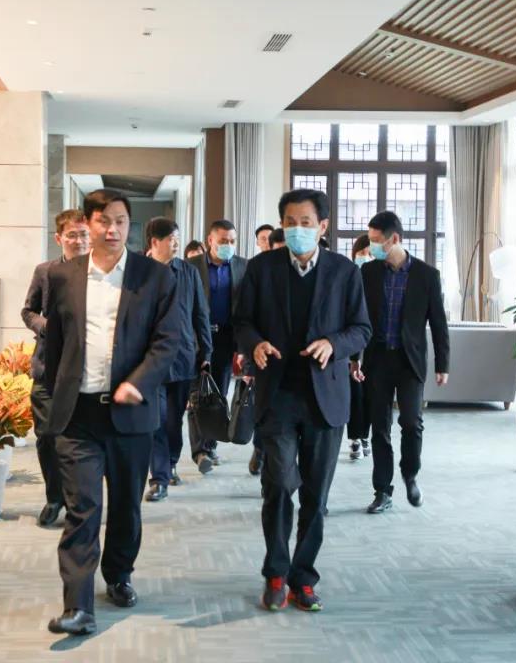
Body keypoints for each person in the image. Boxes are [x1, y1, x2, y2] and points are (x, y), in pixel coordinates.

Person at [42, 190, 181, 636]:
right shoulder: (62, 276)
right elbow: (54, 344)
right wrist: (50, 398)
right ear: (88, 223)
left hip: (130, 415)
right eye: (104, 221)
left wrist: (138, 383)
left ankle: (119, 574)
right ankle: (77, 605)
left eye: (121, 221)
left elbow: (168, 341)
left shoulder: (154, 277)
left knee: (124, 506)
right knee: (82, 509)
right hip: (78, 415)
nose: (113, 229)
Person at [235, 188, 371, 612]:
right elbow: (242, 321)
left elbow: (362, 329)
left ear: (322, 226)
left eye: (305, 223)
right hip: (277, 394)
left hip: (325, 398)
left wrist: (334, 343)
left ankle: (303, 577)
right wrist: (254, 344)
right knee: (278, 485)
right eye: (290, 223)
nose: (297, 230)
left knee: (316, 496)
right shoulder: (261, 269)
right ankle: (276, 572)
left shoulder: (344, 272)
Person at [360, 211, 449, 514]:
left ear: (394, 238)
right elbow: (358, 318)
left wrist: (443, 364)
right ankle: (382, 490)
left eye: (375, 240)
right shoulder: (369, 272)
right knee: (379, 427)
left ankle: (410, 475)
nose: (371, 246)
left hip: (409, 361)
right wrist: (355, 358)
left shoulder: (427, 275)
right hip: (377, 360)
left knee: (411, 422)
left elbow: (439, 323)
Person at [20, 209, 90, 527]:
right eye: (72, 235)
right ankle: (54, 497)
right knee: (47, 436)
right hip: (47, 366)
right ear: (59, 238)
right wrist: (44, 326)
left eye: (84, 234)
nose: (79, 240)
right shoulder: (45, 271)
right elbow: (28, 311)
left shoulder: (100, 275)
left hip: (86, 370)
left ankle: (78, 500)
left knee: (80, 439)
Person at [143, 217, 212, 502]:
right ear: (154, 242)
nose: (176, 243)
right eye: (171, 239)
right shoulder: (139, 271)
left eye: (177, 238)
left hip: (182, 356)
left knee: (174, 420)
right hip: (149, 359)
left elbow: (200, 314)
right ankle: (159, 478)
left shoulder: (188, 272)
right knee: (156, 419)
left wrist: (206, 352)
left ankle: (171, 462)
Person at [187, 220, 247, 473]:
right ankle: (199, 450)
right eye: (223, 241)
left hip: (226, 337)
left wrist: (243, 347)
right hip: (197, 337)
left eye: (232, 241)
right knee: (197, 394)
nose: (228, 245)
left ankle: (210, 445)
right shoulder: (191, 266)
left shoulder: (243, 266)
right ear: (210, 241)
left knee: (218, 393)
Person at [347, 234, 373, 462]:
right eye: (362, 253)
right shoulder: (348, 276)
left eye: (369, 253)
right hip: (353, 345)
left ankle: (365, 436)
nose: (365, 257)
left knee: (371, 395)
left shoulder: (379, 277)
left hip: (374, 346)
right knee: (355, 394)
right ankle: (355, 437)